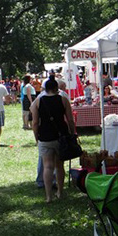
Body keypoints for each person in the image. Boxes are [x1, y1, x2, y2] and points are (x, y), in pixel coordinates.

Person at [30, 75, 75, 203]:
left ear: (45, 89)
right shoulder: (63, 99)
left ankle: (48, 196)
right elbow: (70, 120)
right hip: (61, 136)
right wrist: (72, 133)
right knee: (59, 165)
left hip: (45, 136)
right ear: (56, 88)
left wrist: (36, 137)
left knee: (47, 166)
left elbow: (34, 122)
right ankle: (60, 191)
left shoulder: (39, 101)